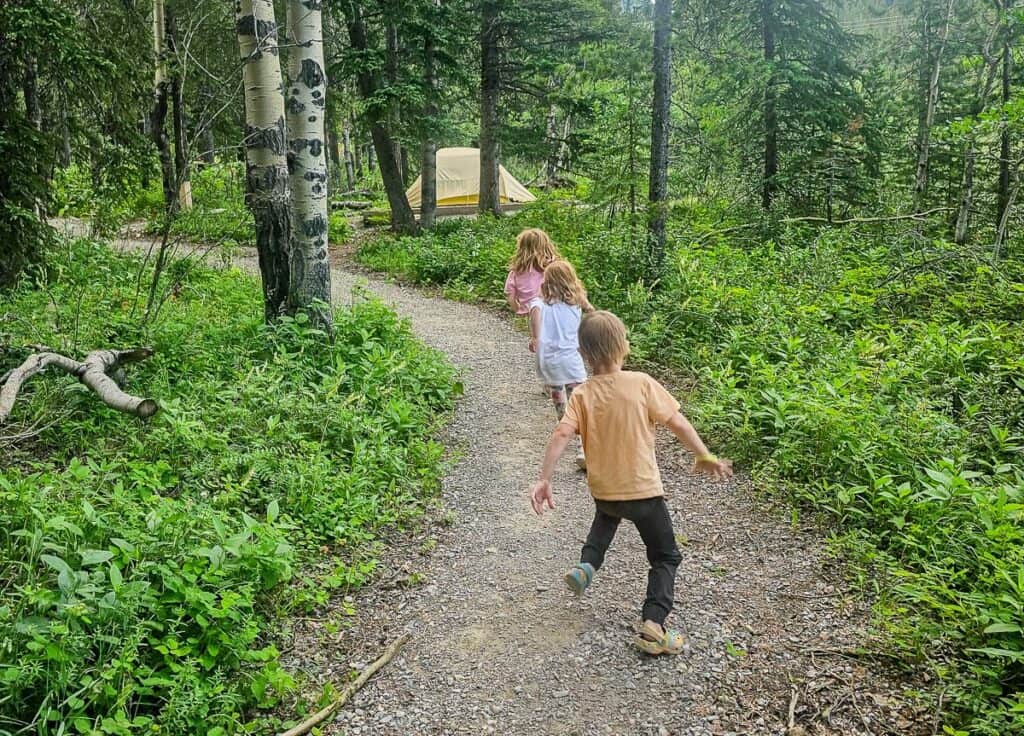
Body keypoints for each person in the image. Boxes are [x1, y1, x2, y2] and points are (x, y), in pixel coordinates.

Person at [529, 310, 733, 655]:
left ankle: (587, 565)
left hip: (605, 490)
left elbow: (562, 432)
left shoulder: (582, 394)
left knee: (606, 520)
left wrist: (544, 479)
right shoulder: (641, 383)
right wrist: (703, 453)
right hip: (644, 492)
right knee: (665, 556)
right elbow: (677, 422)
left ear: (583, 354)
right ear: (623, 346)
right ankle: (654, 624)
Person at [504, 228, 560, 317]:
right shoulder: (553, 268)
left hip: (529, 312)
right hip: (552, 310)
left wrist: (519, 309)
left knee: (535, 330)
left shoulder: (516, 272)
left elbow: (510, 296)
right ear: (547, 246)